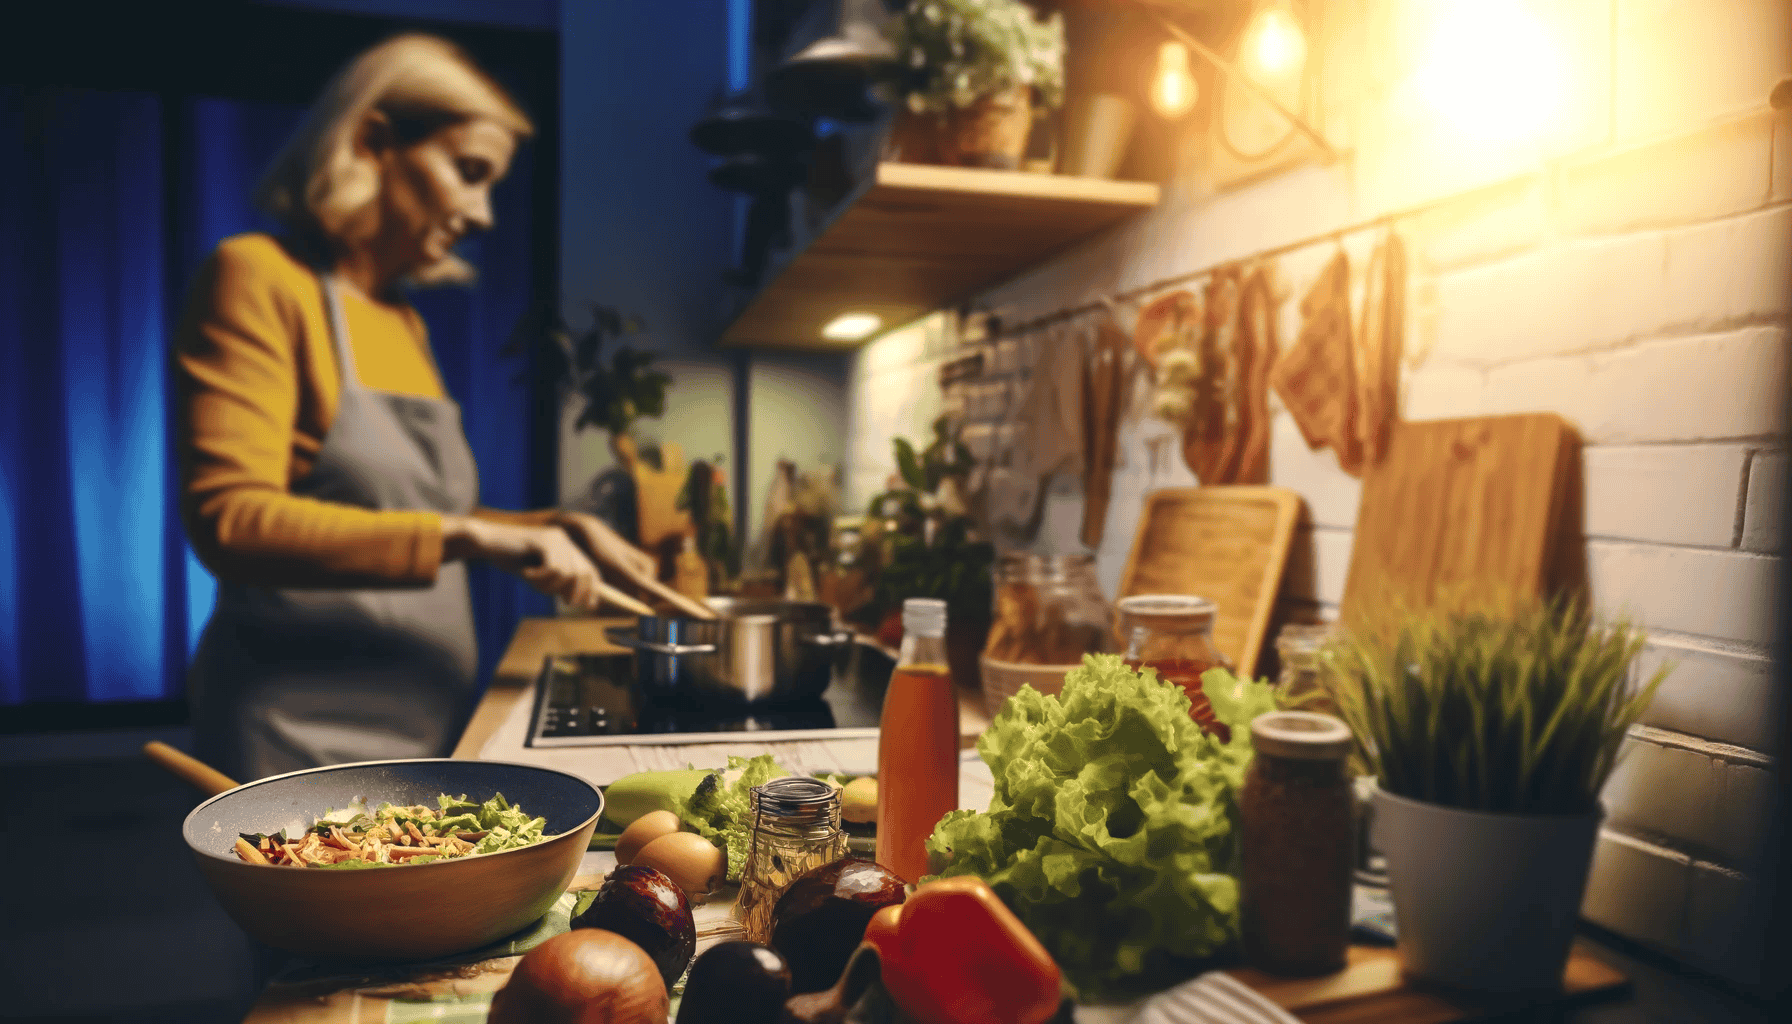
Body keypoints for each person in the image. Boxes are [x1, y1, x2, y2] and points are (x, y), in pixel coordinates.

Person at [173, 34, 656, 781]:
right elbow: (231, 521)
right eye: (470, 173)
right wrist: (475, 535)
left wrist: (555, 528)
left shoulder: (400, 320)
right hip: (300, 732)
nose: (484, 214)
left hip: (427, 721)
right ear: (372, 142)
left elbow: (422, 515)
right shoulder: (257, 277)